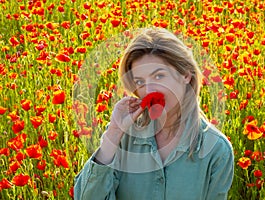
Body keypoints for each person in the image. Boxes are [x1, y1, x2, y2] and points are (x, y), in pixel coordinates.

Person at [74, 28, 234, 200]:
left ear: (186, 75)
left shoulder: (216, 150)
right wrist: (113, 133)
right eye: (140, 82)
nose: (149, 90)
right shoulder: (123, 137)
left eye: (158, 76)